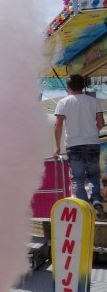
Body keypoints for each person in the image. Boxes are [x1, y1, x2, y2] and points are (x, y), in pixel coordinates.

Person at [53, 73, 105, 219]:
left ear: (68, 87)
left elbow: (58, 125)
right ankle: (96, 201)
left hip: (74, 145)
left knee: (77, 179)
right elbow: (101, 123)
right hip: (93, 143)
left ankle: (86, 210)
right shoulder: (93, 101)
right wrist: (91, 132)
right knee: (94, 176)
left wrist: (56, 146)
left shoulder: (63, 103)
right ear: (83, 86)